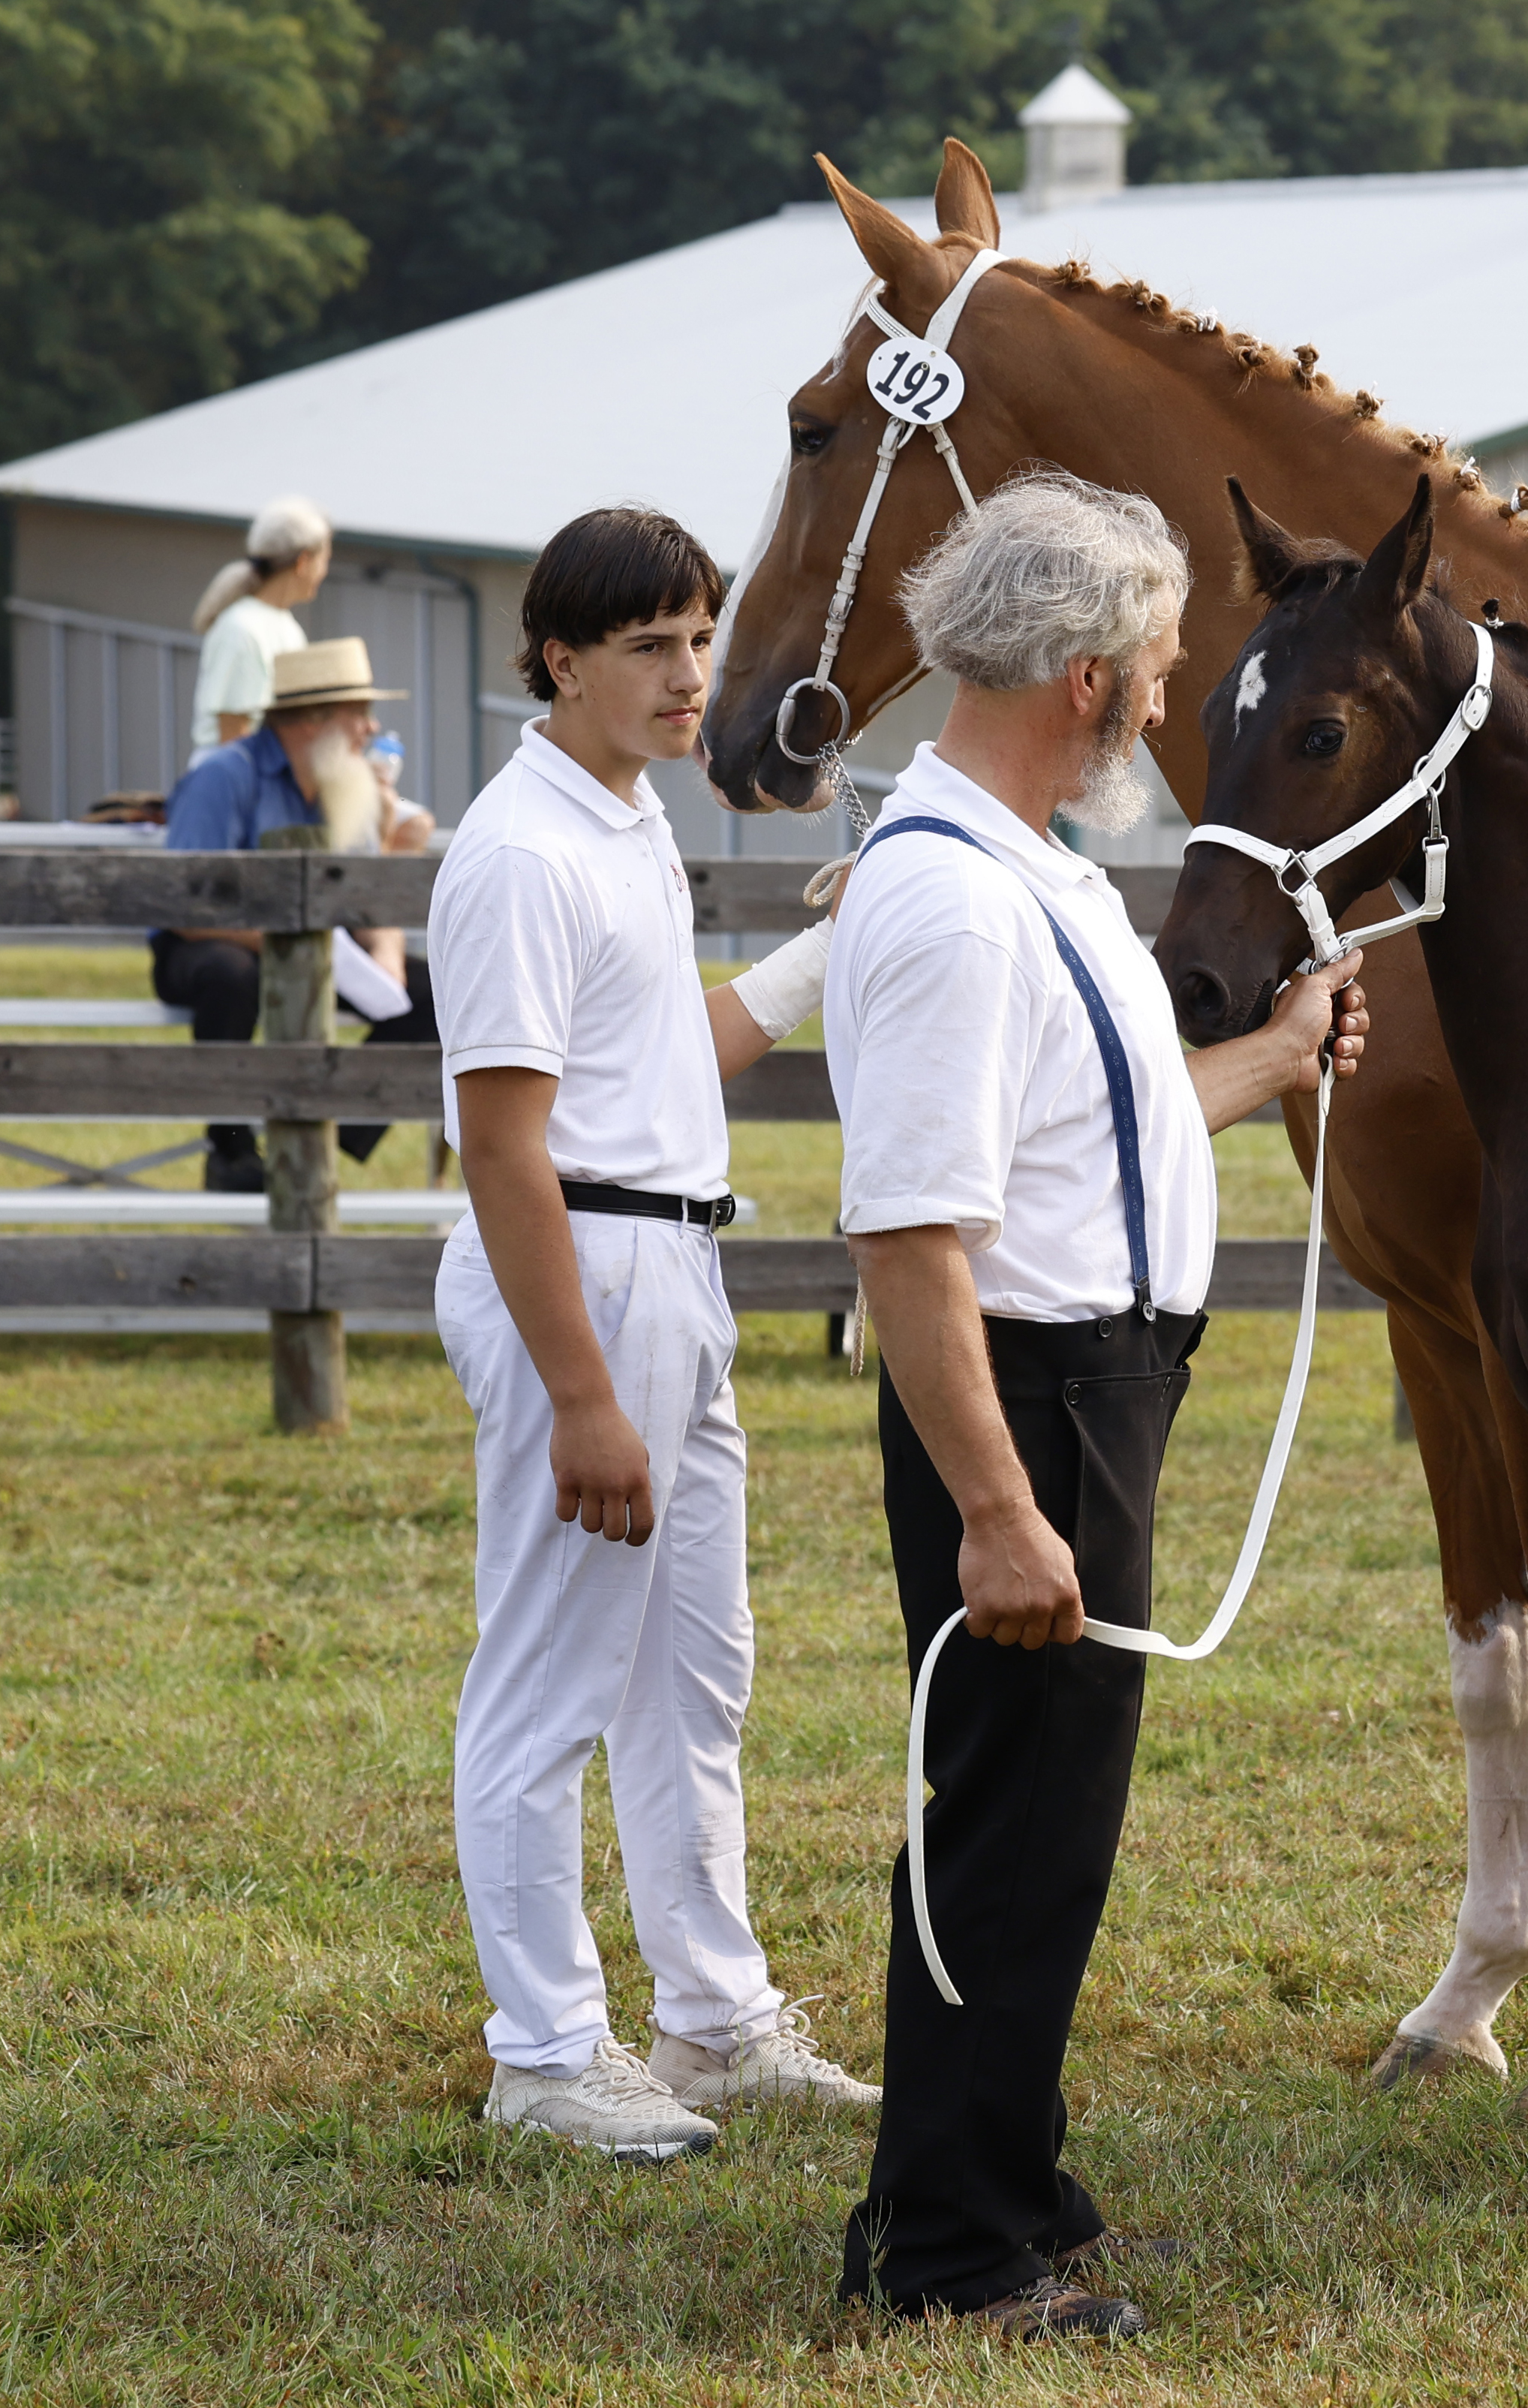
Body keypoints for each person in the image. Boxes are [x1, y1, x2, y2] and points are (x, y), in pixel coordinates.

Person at [828, 471, 1366, 2340]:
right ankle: (960, 2262)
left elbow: (1101, 1132)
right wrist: (996, 1503)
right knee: (1013, 1824)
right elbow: (910, 1237)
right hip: (1031, 1402)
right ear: (1079, 676)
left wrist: (1274, 1057)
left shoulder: (1028, 868)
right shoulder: (960, 910)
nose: (1166, 694)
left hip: (1087, 1383)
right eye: (1150, 663)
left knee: (1033, 1814)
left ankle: (981, 2186)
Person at [430, 506, 878, 2163]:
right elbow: (505, 1141)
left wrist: (834, 942)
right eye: (652, 647)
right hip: (588, 1273)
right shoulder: (522, 848)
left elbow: (658, 1051)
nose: (693, 676)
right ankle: (546, 2049)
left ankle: (711, 2018)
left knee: (698, 1668)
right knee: (548, 1675)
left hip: (670, 1256)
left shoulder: (618, 822)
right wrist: (580, 1392)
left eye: (701, 638)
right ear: (559, 655)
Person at [152, 638, 441, 1190]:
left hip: (315, 947)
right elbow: (184, 904)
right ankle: (230, 1149)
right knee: (231, 976)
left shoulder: (344, 781)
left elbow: (364, 892)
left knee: (438, 993)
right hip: (209, 944)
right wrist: (287, 939)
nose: (371, 729)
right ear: (314, 719)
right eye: (359, 713)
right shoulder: (223, 776)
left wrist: (385, 955)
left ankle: (317, 1146)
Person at [189, 497, 333, 763]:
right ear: (303, 562)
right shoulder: (241, 630)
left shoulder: (287, 627)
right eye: (325, 560)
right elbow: (233, 736)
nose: (325, 572)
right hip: (230, 786)